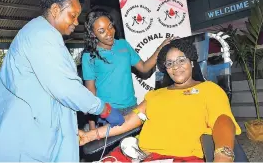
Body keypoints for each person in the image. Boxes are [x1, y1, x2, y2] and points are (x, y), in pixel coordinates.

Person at [0, 0, 124, 162]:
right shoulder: (41, 36)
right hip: (27, 142)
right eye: (73, 15)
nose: (76, 22)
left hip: (38, 137)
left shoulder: (43, 34)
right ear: (54, 9)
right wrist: (103, 109)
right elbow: (65, 89)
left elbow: (53, 96)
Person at [79, 39, 242, 162]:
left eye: (181, 60)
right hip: (140, 155)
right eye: (170, 63)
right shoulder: (155, 95)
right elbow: (128, 120)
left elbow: (223, 120)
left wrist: (223, 154)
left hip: (181, 157)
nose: (176, 66)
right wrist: (90, 135)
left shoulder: (209, 89)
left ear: (192, 62)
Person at [82, 11, 171, 130]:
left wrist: (160, 49)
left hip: (132, 107)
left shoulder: (123, 45)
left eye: (110, 27)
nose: (109, 33)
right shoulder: (89, 56)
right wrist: (93, 128)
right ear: (93, 34)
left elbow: (144, 68)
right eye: (101, 31)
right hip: (107, 112)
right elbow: (90, 95)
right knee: (113, 148)